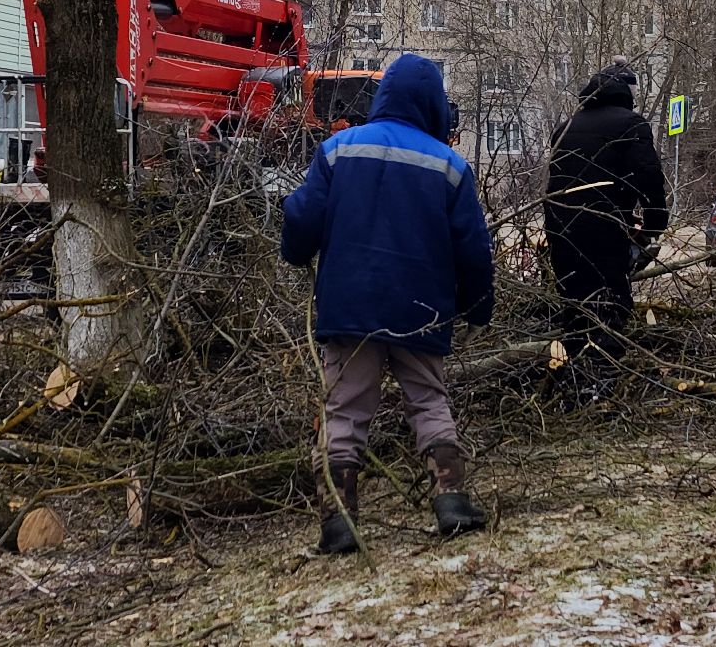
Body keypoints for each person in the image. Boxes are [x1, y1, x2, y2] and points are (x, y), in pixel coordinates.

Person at [282, 53, 495, 555]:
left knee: (345, 409)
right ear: (434, 105)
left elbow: (299, 216)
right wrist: (477, 306)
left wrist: (297, 252)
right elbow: (474, 248)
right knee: (428, 400)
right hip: (421, 309)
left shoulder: (337, 151)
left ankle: (339, 521)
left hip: (349, 305)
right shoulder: (449, 165)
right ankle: (452, 501)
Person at [543, 64, 669, 401]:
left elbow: (556, 180)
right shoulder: (631, 124)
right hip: (604, 226)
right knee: (611, 300)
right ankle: (604, 382)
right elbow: (649, 176)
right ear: (625, 96)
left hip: (561, 226)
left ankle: (572, 377)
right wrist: (655, 223)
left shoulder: (564, 127)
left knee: (574, 301)